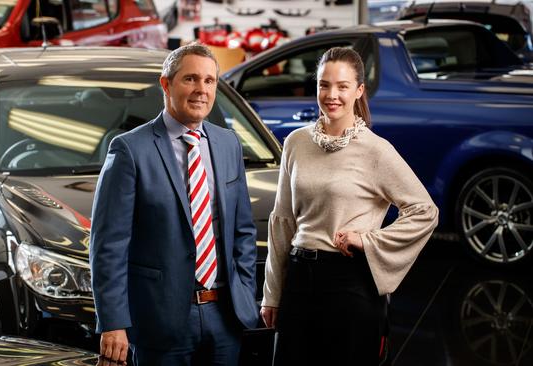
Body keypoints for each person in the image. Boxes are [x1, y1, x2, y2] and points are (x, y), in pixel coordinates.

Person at [260, 47, 439, 365]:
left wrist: (369, 240)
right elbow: (283, 220)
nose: (332, 95)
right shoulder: (296, 143)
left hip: (350, 283)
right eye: (324, 85)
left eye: (342, 86)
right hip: (299, 278)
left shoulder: (376, 150)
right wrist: (272, 294)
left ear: (358, 91)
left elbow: (425, 212)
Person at [89, 42, 259, 366]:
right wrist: (112, 322)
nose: (201, 90)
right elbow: (109, 245)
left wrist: (244, 292)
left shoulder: (227, 144)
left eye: (209, 81)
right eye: (190, 79)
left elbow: (243, 231)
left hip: (224, 317)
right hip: (159, 322)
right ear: (166, 84)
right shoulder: (129, 150)